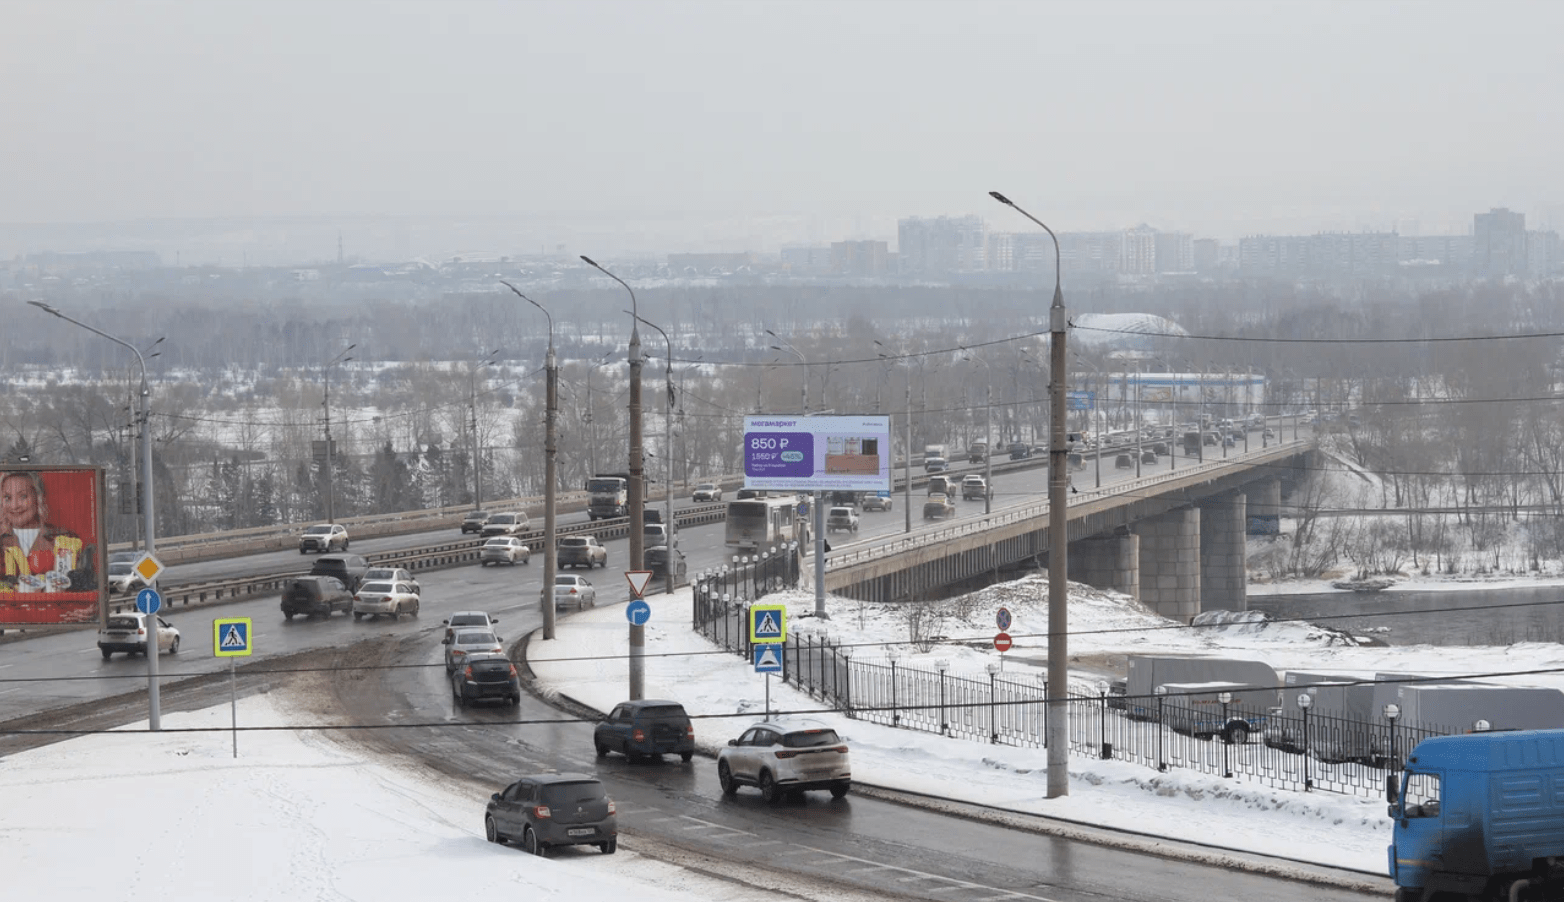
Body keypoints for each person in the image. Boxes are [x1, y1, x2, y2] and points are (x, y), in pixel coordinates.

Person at [0, 471, 94, 593]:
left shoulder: (65, 538)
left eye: (23, 496)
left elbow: (84, 584)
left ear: (38, 497)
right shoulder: (2, 541)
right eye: (7, 498)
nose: (14, 506)